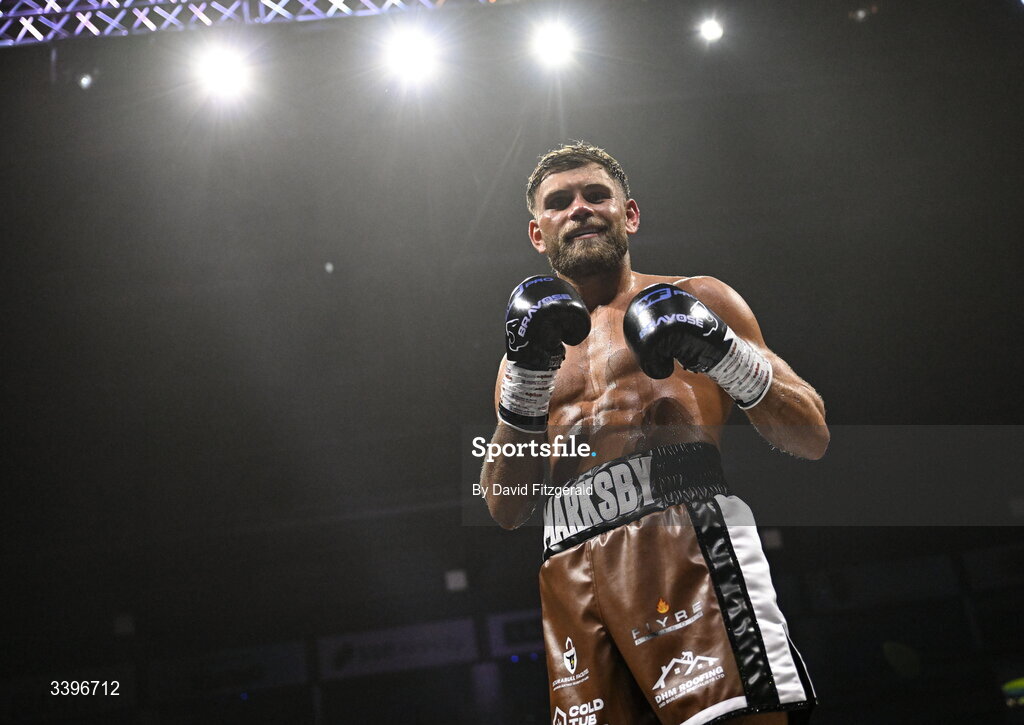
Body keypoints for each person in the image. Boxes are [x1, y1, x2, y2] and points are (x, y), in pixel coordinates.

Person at [480, 142, 828, 725]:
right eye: (559, 202)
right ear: (538, 234)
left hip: (682, 543)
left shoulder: (698, 298)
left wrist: (727, 357)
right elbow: (505, 507)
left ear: (630, 214)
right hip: (568, 569)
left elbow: (810, 434)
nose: (580, 209)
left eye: (597, 195)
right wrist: (521, 394)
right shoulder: (524, 357)